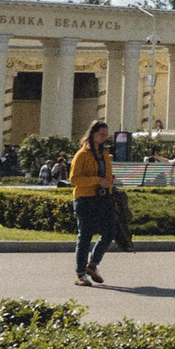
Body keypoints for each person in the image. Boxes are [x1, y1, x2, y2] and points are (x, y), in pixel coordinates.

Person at [69, 119, 116, 287]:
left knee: (109, 233)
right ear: (92, 134)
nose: (103, 138)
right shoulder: (82, 154)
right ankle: (80, 274)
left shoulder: (104, 154)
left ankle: (93, 265)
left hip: (103, 198)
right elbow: (74, 179)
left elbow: (109, 176)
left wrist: (108, 186)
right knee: (85, 236)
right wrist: (96, 180)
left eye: (105, 135)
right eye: (100, 134)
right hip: (85, 199)